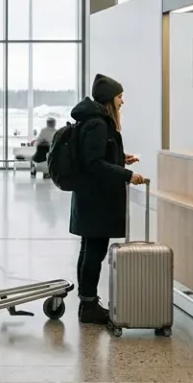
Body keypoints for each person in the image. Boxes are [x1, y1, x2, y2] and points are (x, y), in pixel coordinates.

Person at [68, 74, 145, 324]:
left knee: (89, 249)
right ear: (110, 99)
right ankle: (89, 306)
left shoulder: (91, 120)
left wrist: (120, 158)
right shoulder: (98, 123)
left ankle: (87, 303)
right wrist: (127, 174)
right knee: (94, 252)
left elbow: (95, 157)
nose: (122, 101)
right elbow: (94, 164)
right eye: (120, 96)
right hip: (97, 199)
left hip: (90, 197)